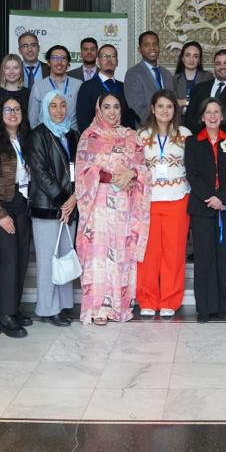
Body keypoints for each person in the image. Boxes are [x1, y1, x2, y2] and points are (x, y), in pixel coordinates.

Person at [75, 92, 151, 324]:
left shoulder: (132, 136)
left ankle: (119, 307)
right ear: (99, 110)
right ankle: (98, 309)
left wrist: (133, 173)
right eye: (106, 107)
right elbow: (81, 171)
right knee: (99, 255)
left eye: (116, 107)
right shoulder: (90, 136)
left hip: (125, 205)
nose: (112, 111)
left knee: (121, 254)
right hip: (98, 204)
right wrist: (105, 174)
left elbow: (145, 168)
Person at [0, 96, 33, 338]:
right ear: (0, 114)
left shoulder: (26, 139)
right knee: (9, 259)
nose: (13, 113)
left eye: (17, 109)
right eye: (7, 109)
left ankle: (15, 309)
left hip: (23, 203)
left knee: (21, 259)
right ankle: (6, 317)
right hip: (2, 206)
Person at [186, 98, 226, 322]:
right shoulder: (192, 142)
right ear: (202, 117)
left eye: (216, 112)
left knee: (222, 257)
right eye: (208, 112)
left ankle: (222, 307)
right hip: (202, 208)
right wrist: (210, 197)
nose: (212, 116)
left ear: (222, 116)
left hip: (225, 207)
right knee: (203, 258)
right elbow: (193, 174)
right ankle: (204, 308)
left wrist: (221, 198)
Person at [136, 90, 191, 318]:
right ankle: (147, 299)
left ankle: (170, 299)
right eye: (161, 106)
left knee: (174, 252)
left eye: (169, 107)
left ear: (175, 110)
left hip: (178, 198)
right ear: (152, 108)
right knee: (149, 254)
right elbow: (135, 167)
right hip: (148, 200)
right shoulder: (141, 135)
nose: (165, 111)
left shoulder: (185, 134)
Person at [28, 90, 79, 327]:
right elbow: (40, 172)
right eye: (53, 106)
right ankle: (48, 309)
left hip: (71, 207)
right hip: (48, 208)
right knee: (49, 261)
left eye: (62, 105)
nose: (58, 111)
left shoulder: (73, 135)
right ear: (45, 110)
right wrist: (63, 201)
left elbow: (80, 169)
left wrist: (74, 199)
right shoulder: (38, 135)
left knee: (65, 258)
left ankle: (63, 305)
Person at [184, 49, 226, 138]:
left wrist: (217, 134)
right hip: (201, 141)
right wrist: (206, 134)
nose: (222, 67)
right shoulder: (200, 88)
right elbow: (189, 117)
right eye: (218, 63)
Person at [75, 44, 137, 133]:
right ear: (98, 61)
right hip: (97, 143)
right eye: (105, 56)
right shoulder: (87, 87)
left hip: (122, 142)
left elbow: (129, 120)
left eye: (112, 56)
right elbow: (83, 121)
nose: (109, 59)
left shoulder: (124, 87)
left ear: (117, 62)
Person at [29, 45, 80, 130]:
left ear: (68, 63)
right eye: (55, 58)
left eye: (63, 58)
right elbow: (33, 120)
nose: (59, 62)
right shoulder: (38, 87)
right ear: (48, 62)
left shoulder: (78, 85)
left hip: (72, 138)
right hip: (47, 139)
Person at [124, 30, 167, 124]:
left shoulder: (166, 74)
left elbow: (172, 103)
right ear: (139, 50)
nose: (152, 48)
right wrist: (156, 125)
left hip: (168, 130)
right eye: (147, 45)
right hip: (146, 130)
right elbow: (136, 107)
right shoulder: (133, 74)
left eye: (155, 44)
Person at [0, 54, 31, 123]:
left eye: (15, 68)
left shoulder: (29, 94)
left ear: (21, 71)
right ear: (2, 71)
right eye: (7, 68)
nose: (11, 72)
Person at [172, 40, 212, 114]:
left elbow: (207, 102)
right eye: (187, 55)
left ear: (199, 60)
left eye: (195, 56)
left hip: (200, 121)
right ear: (182, 58)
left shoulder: (208, 77)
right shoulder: (174, 79)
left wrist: (183, 102)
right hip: (179, 121)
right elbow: (172, 104)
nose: (191, 59)